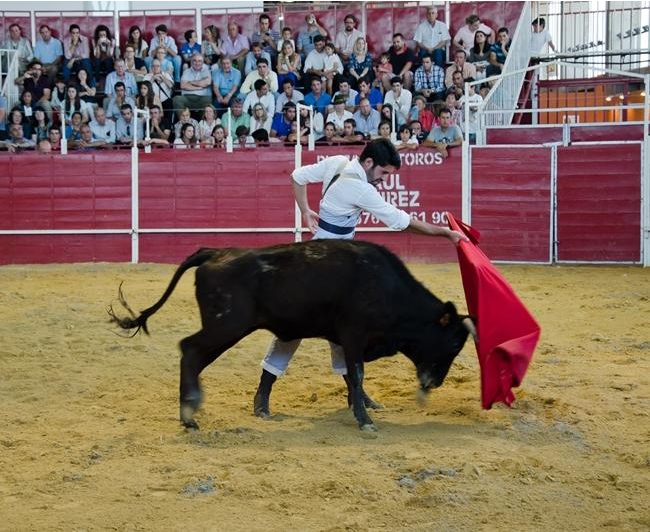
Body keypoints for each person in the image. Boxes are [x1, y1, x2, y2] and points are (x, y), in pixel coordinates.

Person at [252, 139, 468, 418]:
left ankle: (355, 394)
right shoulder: (360, 189)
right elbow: (400, 221)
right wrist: (445, 233)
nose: (384, 180)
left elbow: (297, 177)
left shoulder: (339, 162)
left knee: (344, 331)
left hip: (324, 257)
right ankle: (263, 392)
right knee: (295, 328)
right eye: (384, 173)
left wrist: (305, 210)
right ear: (369, 163)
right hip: (329, 266)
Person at [458, 77, 482, 143]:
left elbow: (476, 108)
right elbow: (458, 107)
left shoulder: (478, 98)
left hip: (474, 130)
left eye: (466, 87)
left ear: (473, 87)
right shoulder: (462, 97)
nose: (464, 89)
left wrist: (468, 104)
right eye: (464, 87)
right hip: (463, 130)